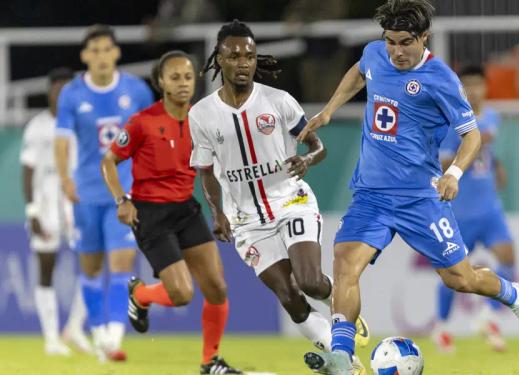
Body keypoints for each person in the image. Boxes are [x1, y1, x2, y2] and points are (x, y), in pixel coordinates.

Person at [298, 1, 519, 373]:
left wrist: (454, 175)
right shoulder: (375, 54)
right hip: (371, 194)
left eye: (405, 42)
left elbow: (472, 137)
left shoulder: (440, 78)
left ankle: (513, 294)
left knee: (460, 279)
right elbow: (359, 72)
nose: (396, 51)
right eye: (391, 41)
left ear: (424, 37)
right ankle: (343, 357)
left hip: (419, 198)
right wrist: (330, 108)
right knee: (345, 263)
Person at [189, 20, 368, 373]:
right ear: (219, 60)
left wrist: (307, 158)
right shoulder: (202, 114)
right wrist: (217, 213)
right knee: (290, 298)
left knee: (310, 282)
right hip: (246, 221)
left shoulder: (278, 101)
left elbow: (318, 146)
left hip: (291, 202)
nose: (243, 62)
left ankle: (341, 307)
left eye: (250, 55)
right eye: (234, 55)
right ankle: (346, 361)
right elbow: (206, 171)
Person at [100, 51, 242, 374]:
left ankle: (210, 362)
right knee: (181, 295)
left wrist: (219, 212)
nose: (182, 83)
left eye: (188, 77)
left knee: (217, 288)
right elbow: (108, 161)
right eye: (175, 77)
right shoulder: (142, 123)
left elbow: (214, 169)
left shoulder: (202, 121)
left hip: (185, 210)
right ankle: (141, 295)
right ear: (161, 81)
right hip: (150, 214)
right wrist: (122, 199)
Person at [53, 24, 154, 361]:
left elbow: (149, 137)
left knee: (123, 260)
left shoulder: (136, 90)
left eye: (105, 49)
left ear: (116, 53)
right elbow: (61, 140)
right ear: (85, 56)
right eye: (93, 50)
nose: (100, 56)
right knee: (91, 267)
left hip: (122, 193)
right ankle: (97, 331)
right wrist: (66, 181)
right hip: (85, 194)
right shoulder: (72, 93)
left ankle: (112, 337)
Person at [432, 66, 515, 353]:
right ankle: (441, 327)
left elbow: (489, 151)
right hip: (460, 211)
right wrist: (471, 145)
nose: (474, 91)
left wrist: (497, 166)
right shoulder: (451, 123)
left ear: (486, 87)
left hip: (490, 208)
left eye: (478, 85)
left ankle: (487, 315)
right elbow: (442, 166)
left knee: (508, 258)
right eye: (467, 86)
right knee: (455, 273)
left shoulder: (492, 116)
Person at [20, 67, 92, 357]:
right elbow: (27, 172)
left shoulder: (82, 124)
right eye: (57, 89)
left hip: (77, 203)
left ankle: (74, 327)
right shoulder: (37, 126)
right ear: (49, 91)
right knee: (46, 268)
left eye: (68, 88)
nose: (62, 94)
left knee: (92, 266)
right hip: (47, 205)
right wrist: (33, 211)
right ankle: (51, 339)